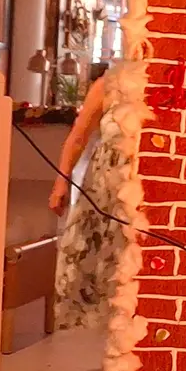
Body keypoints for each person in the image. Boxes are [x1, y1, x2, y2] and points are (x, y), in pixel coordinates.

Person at [50, 63, 130, 331]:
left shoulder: (165, 86)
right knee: (97, 262)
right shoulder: (108, 84)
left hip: (142, 194)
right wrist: (61, 183)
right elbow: (77, 138)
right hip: (103, 190)